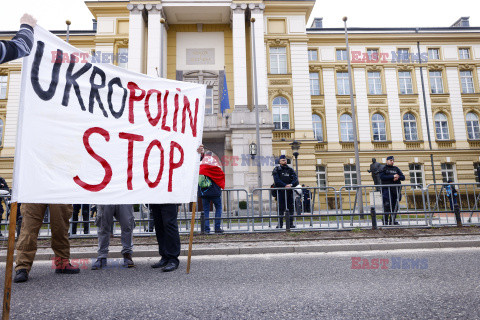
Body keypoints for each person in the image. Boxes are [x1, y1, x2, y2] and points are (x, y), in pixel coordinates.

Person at [150, 145, 205, 272]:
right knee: (159, 225)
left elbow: (186, 154)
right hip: (155, 189)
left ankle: (173, 258)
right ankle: (164, 255)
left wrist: (199, 154)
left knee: (169, 224)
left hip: (170, 190)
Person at [14, 204, 80, 283]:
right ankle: (22, 267)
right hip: (33, 193)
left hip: (58, 192)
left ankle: (62, 262)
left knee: (60, 227)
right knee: (29, 228)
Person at [91, 205, 135, 270]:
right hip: (106, 197)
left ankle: (127, 254)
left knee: (127, 224)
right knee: (103, 225)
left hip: (124, 197)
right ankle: (102, 256)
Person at [198, 152, 225, 234]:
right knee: (218, 208)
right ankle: (217, 228)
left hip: (204, 192)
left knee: (206, 210)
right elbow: (221, 175)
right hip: (215, 192)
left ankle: (207, 229)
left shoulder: (201, 165)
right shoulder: (215, 165)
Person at [272, 155, 298, 228]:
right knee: (280, 208)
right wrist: (285, 185)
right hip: (281, 192)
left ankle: (290, 224)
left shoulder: (290, 170)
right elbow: (276, 180)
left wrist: (291, 184)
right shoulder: (276, 169)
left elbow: (296, 180)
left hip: (289, 192)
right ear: (280, 161)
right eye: (283, 160)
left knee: (291, 208)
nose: (285, 161)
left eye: (285, 160)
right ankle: (280, 224)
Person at [379, 156, 405, 226]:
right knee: (387, 205)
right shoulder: (383, 168)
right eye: (390, 160)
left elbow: (403, 177)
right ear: (387, 161)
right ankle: (385, 220)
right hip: (386, 190)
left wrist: (398, 177)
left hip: (396, 190)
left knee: (395, 206)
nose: (392, 161)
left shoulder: (396, 169)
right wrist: (393, 176)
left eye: (393, 160)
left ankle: (392, 220)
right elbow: (382, 177)